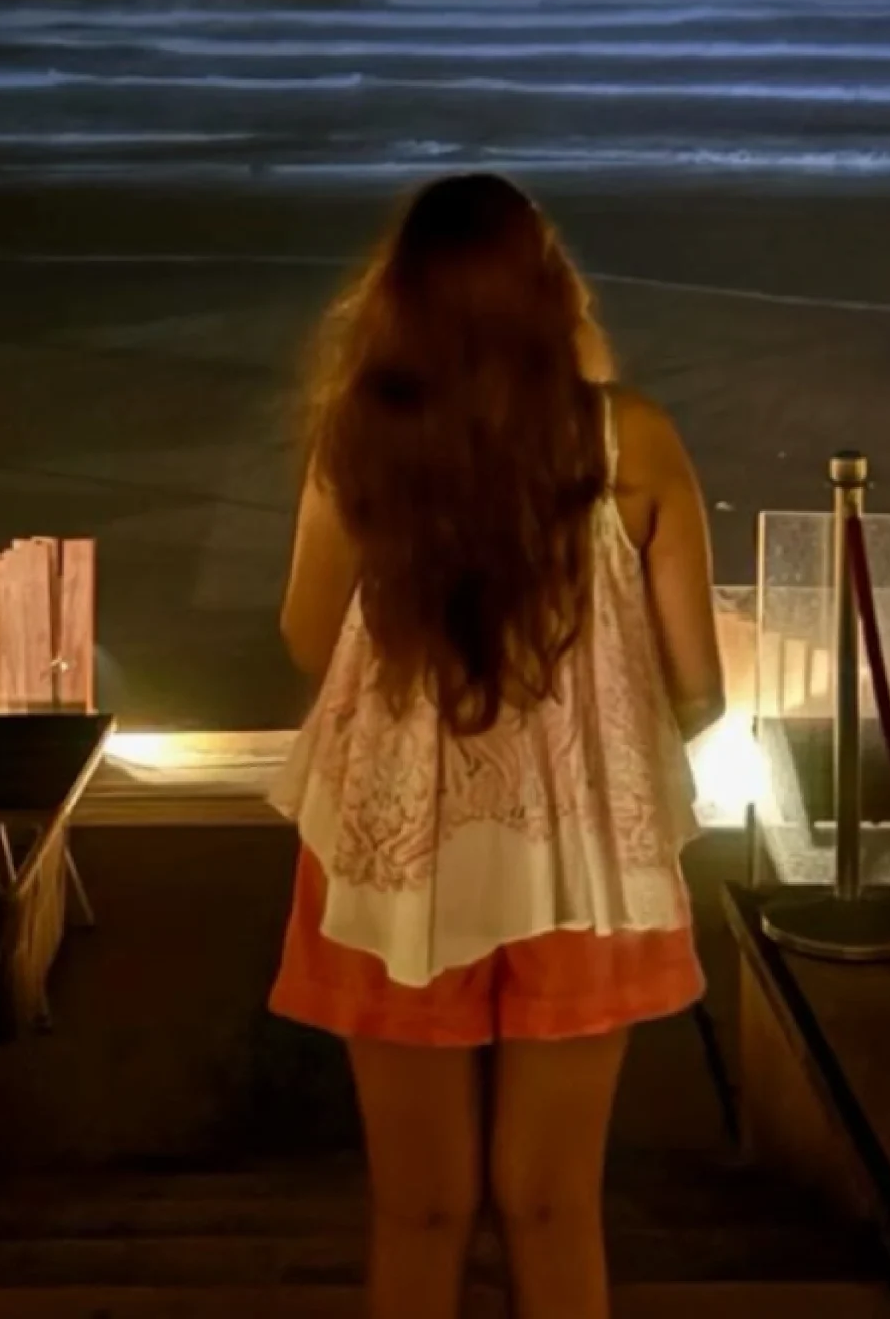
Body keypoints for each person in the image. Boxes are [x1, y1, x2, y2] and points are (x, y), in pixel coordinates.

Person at [267, 174, 725, 1319]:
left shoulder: (360, 437)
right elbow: (698, 687)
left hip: (392, 850)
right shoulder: (632, 441)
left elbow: (308, 636)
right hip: (582, 857)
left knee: (419, 1207)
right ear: (545, 289)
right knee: (553, 1203)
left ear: (400, 301)